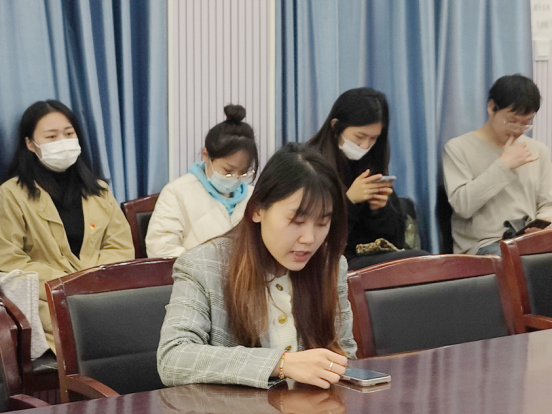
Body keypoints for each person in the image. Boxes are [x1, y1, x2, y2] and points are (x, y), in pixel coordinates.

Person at [157, 143, 357, 390]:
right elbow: (173, 358)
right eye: (297, 221)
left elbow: (345, 353)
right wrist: (280, 363)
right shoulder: (203, 266)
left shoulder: (330, 266)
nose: (309, 238)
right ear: (257, 211)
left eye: (322, 223)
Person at [0, 100, 134, 351]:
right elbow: (10, 261)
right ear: (30, 144)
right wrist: (68, 283)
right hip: (48, 299)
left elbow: (121, 246)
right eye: (51, 137)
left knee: (139, 321)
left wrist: (92, 280)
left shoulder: (99, 190)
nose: (62, 142)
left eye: (69, 134)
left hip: (103, 292)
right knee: (85, 331)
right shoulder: (11, 194)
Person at [307, 87, 427, 270]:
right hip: (331, 262)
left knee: (421, 262)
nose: (365, 145)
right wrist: (349, 201)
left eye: (373, 138)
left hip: (367, 259)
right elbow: (315, 236)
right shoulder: (310, 164)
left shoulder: (371, 164)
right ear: (335, 126)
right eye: (360, 136)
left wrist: (379, 210)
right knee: (418, 261)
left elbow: (395, 241)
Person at [443, 74, 552, 255]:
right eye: (512, 121)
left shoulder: (538, 150)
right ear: (491, 107)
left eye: (526, 123)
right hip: (484, 245)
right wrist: (503, 165)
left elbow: (548, 204)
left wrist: (542, 226)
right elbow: (463, 206)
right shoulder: (457, 148)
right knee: (516, 259)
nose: (518, 129)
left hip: (528, 241)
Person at [146, 104, 258, 258]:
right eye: (228, 171)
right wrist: (205, 267)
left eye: (243, 172)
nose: (235, 178)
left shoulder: (254, 197)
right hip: (193, 273)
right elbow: (160, 249)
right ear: (206, 155)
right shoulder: (177, 192)